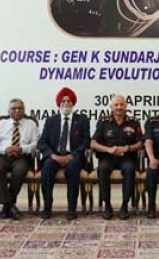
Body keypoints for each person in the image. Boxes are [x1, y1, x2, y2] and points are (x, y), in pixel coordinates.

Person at [38, 87, 91, 220]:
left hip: (73, 156)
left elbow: (86, 142)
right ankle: (47, 208)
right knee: (47, 167)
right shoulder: (51, 121)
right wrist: (52, 155)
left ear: (73, 103)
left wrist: (72, 155)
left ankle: (71, 209)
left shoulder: (82, 120)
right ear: (59, 104)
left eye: (69, 101)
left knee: (73, 168)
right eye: (63, 101)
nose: (66, 104)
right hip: (54, 156)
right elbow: (42, 142)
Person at [0, 98, 39, 220]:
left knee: (19, 171)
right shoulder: (0, 124)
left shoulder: (31, 125)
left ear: (24, 110)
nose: (17, 111)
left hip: (22, 157)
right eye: (13, 108)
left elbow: (36, 143)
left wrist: (21, 149)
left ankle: (6, 206)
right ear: (8, 111)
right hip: (3, 156)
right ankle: (9, 205)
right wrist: (4, 149)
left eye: (20, 108)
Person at [91, 95, 143, 220]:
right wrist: (108, 149)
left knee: (130, 170)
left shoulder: (133, 122)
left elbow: (141, 143)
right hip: (108, 157)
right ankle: (107, 205)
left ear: (126, 106)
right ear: (111, 107)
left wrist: (127, 148)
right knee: (102, 169)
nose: (119, 107)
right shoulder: (103, 122)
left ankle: (124, 205)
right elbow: (93, 143)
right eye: (116, 105)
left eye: (121, 104)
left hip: (127, 158)